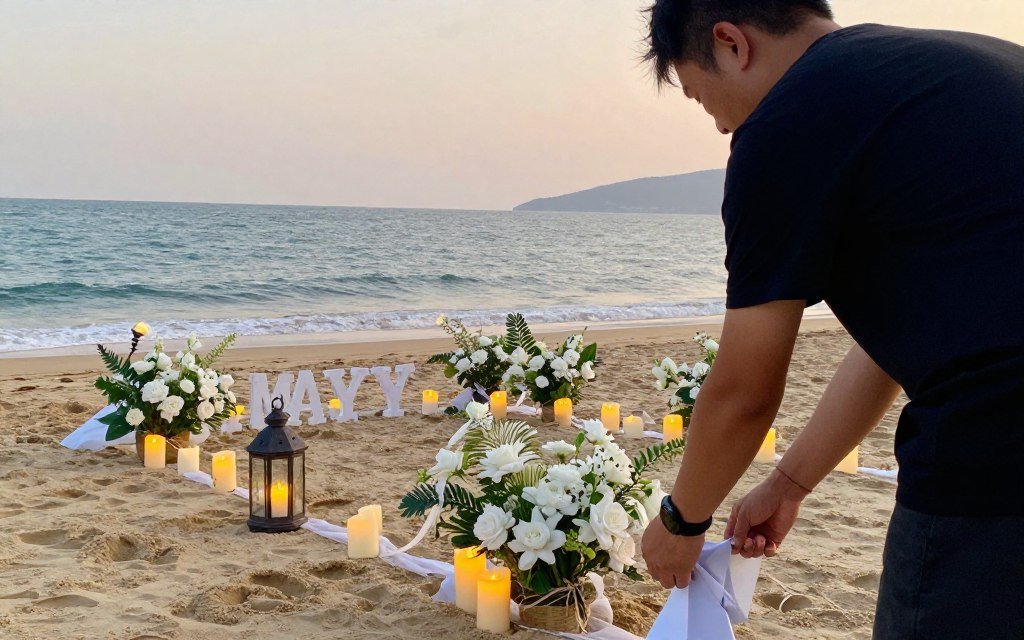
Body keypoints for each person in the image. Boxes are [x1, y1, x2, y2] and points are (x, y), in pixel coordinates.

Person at [638, 1, 1024, 638]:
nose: (719, 127)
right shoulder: (962, 69)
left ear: (730, 43)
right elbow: (905, 340)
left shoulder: (786, 126)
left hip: (997, 445)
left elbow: (743, 393)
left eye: (703, 99)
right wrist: (790, 481)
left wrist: (683, 521)